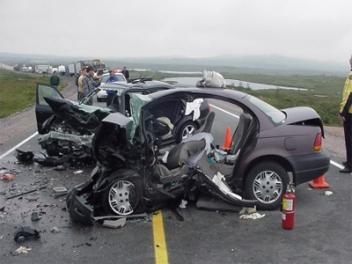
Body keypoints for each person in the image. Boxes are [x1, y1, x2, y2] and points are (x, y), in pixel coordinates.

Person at [339, 55, 352, 173]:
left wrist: (344, 112)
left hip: (350, 112)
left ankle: (350, 165)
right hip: (348, 110)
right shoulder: (350, 73)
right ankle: (349, 160)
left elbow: (351, 96)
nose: (350, 60)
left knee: (349, 139)